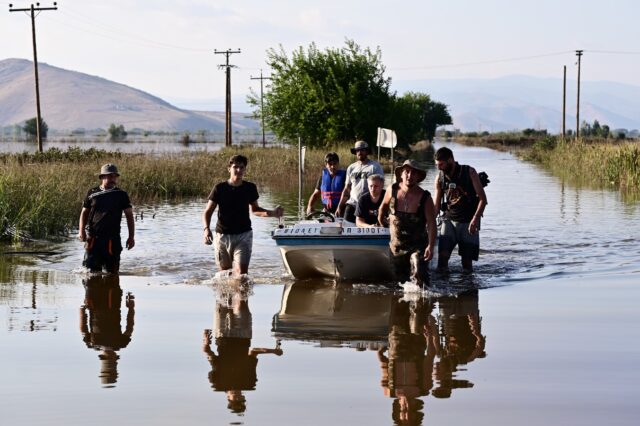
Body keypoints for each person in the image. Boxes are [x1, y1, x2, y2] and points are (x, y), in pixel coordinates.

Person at [202, 286, 282, 414]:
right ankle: (240, 281)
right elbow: (253, 352)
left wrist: (206, 341)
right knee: (241, 301)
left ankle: (224, 278)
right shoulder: (249, 383)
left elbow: (209, 354)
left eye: (235, 400)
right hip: (243, 335)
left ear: (228, 398)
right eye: (241, 399)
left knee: (221, 299)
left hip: (222, 335)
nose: (238, 397)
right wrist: (273, 351)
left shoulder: (218, 384)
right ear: (244, 398)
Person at [202, 154, 284, 276]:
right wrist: (206, 229)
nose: (239, 170)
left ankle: (241, 294)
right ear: (229, 169)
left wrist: (272, 213)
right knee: (225, 275)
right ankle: (227, 295)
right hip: (222, 236)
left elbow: (255, 210)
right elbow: (207, 212)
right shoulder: (219, 188)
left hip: (243, 235)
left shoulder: (250, 188)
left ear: (245, 169)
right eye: (236, 167)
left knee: (242, 275)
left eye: (242, 167)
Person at [378, 160, 437, 283]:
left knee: (421, 280)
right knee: (400, 286)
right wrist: (381, 221)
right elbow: (382, 207)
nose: (410, 176)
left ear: (418, 177)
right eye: (407, 172)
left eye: (414, 173)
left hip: (418, 246)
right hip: (397, 248)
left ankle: (423, 299)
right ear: (401, 174)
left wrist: (431, 246)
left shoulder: (425, 197)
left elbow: (432, 223)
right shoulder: (392, 190)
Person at [433, 147, 488, 273]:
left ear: (451, 160)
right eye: (437, 165)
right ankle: (443, 291)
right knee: (442, 260)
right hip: (448, 221)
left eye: (441, 164)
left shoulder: (469, 172)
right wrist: (428, 223)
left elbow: (483, 200)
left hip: (469, 222)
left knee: (467, 265)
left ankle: (466, 290)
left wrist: (475, 219)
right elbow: (436, 206)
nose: (439, 168)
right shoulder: (439, 178)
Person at [78, 163, 135, 273]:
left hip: (112, 239)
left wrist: (131, 237)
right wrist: (81, 232)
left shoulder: (121, 194)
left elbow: (129, 216)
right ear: (102, 177)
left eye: (114, 176)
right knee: (90, 273)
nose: (113, 179)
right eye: (109, 176)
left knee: (112, 273)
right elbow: (84, 213)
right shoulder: (92, 193)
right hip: (94, 238)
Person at [79, 274, 135, 386]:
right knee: (94, 275)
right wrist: (82, 310)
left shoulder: (121, 343)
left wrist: (131, 308)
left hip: (112, 300)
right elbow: (82, 328)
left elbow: (130, 325)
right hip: (96, 302)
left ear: (114, 359)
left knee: (111, 275)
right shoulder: (91, 343)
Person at [336, 141, 384, 223]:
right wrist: (340, 207)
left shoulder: (375, 166)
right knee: (346, 228)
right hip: (352, 204)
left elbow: (380, 187)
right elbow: (347, 189)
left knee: (368, 229)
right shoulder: (351, 167)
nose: (359, 152)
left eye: (362, 150)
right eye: (357, 150)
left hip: (367, 205)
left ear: (367, 151)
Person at [306, 152, 346, 216]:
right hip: (327, 211)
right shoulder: (322, 178)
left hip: (342, 211)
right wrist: (309, 206)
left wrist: (340, 208)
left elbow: (347, 195)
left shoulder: (345, 177)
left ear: (338, 164)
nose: (333, 166)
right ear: (326, 165)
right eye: (330, 164)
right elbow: (315, 194)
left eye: (335, 164)